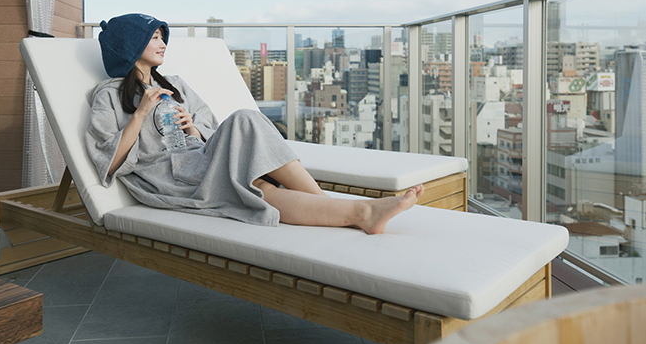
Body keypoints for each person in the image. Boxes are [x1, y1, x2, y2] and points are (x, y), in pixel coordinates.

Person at [85, 13, 423, 234]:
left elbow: (211, 126)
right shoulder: (108, 95)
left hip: (200, 157)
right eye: (153, 38)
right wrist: (141, 114)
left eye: (162, 36)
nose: (162, 43)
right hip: (168, 176)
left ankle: (342, 208)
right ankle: (359, 214)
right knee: (258, 189)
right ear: (130, 48)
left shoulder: (174, 84)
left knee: (247, 121)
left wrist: (194, 128)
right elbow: (110, 161)